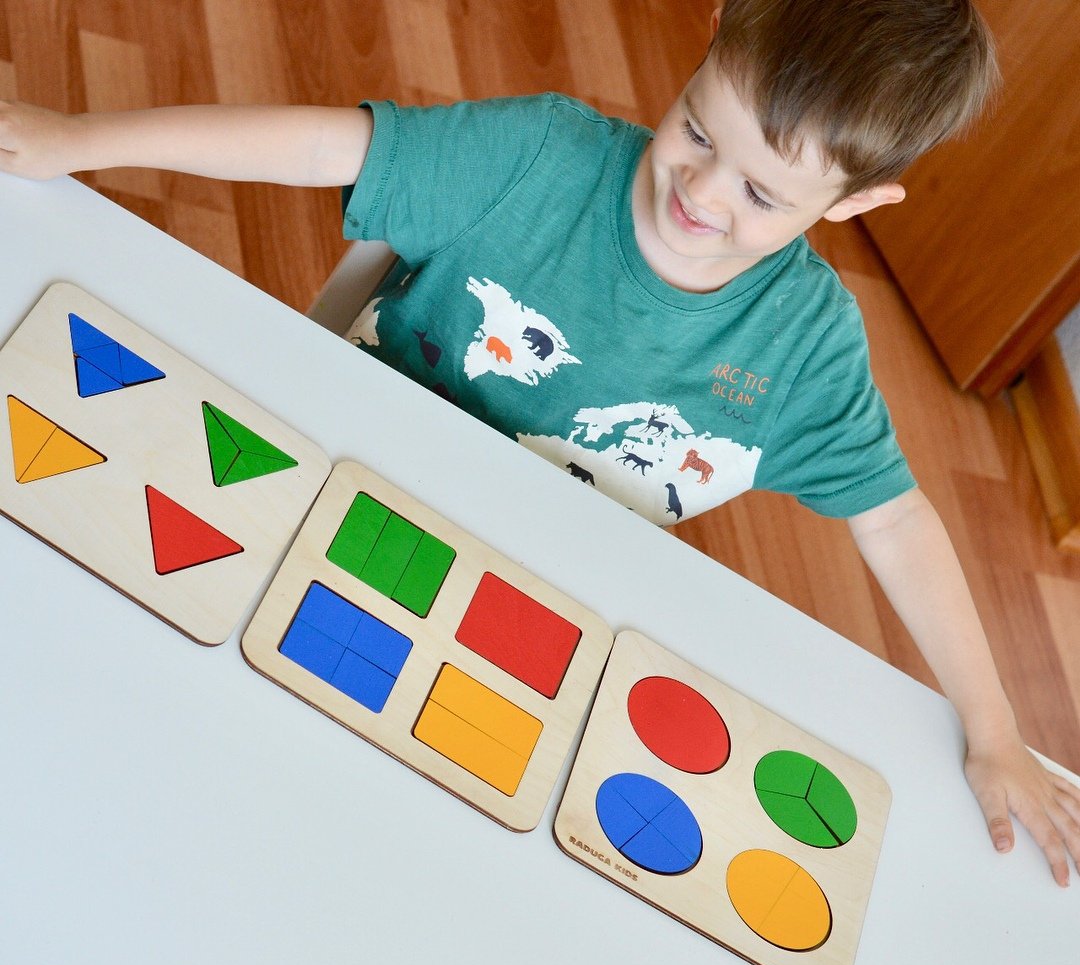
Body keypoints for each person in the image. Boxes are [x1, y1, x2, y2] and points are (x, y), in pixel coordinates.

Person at [2, 0, 1078, 883]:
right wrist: (77, 140)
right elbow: (332, 142)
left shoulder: (806, 351)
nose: (700, 193)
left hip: (511, 617)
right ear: (709, 37)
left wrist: (993, 730)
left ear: (857, 201)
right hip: (332, 494)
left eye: (761, 193)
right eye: (699, 131)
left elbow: (894, 518)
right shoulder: (542, 155)